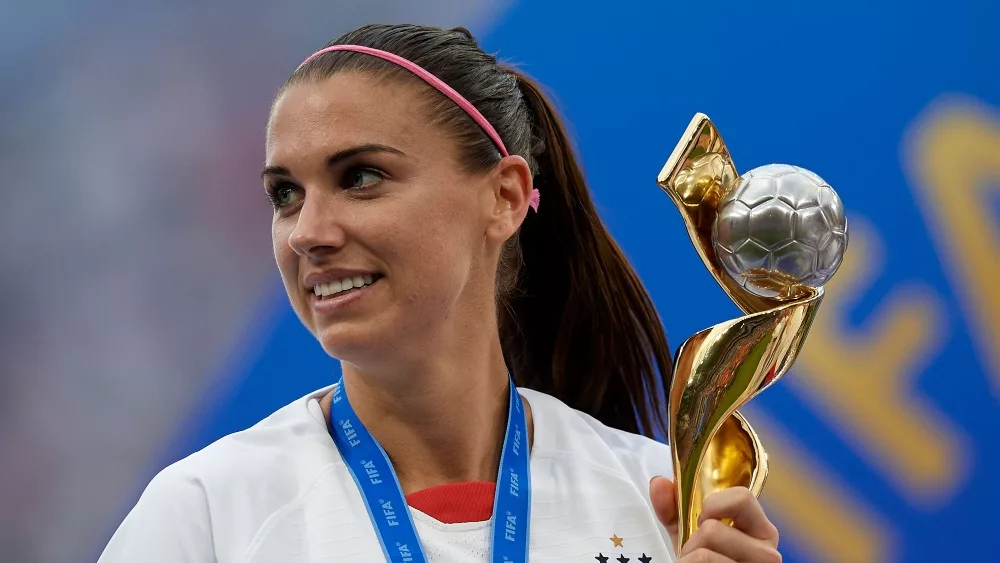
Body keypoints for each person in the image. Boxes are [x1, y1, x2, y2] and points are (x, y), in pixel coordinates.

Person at [99, 23, 781, 563]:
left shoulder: (659, 498)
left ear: (505, 198)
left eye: (361, 176)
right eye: (285, 194)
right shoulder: (208, 513)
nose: (308, 231)